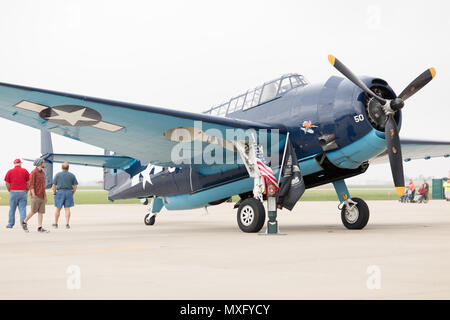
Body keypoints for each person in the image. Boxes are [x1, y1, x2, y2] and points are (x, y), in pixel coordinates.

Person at [23, 159, 49, 233]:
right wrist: (34, 195)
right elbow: (31, 185)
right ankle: (24, 222)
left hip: (42, 195)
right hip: (35, 195)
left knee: (41, 212)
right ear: (40, 163)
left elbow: (43, 186)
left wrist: (45, 196)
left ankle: (40, 227)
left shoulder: (43, 173)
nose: (44, 163)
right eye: (43, 162)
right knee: (33, 211)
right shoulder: (33, 173)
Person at [4, 159, 30, 230]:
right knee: (23, 209)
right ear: (20, 163)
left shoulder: (10, 171)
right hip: (23, 192)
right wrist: (27, 190)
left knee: (12, 209)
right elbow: (28, 182)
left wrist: (9, 190)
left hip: (13, 192)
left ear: (14, 163)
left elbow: (7, 183)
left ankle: (10, 224)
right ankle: (23, 223)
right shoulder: (25, 171)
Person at [52, 162, 78, 229]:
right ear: (68, 168)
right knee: (67, 209)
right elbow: (75, 186)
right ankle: (67, 224)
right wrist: (72, 193)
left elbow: (54, 185)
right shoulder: (72, 175)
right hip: (69, 192)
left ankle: (55, 223)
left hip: (60, 192)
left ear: (62, 167)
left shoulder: (58, 175)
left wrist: (54, 192)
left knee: (58, 208)